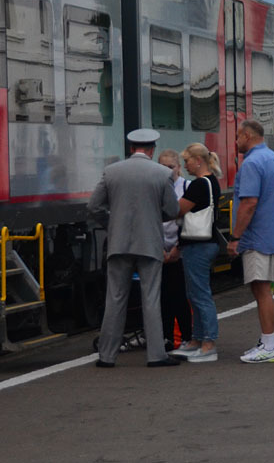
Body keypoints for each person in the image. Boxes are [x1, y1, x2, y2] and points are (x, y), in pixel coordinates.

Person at [88, 129, 182, 368]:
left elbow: (94, 207)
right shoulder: (162, 174)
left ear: (131, 148)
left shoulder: (111, 172)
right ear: (152, 150)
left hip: (118, 243)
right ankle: (156, 355)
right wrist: (152, 219)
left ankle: (107, 356)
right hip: (149, 243)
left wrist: (112, 223)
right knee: (151, 297)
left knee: (115, 297)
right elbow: (172, 211)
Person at [228, 120, 274, 363]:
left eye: (237, 137)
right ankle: (267, 342)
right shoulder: (273, 158)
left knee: (261, 290)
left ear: (246, 135)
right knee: (266, 290)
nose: (235, 142)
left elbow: (249, 203)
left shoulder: (252, 163)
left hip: (258, 238)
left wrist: (235, 237)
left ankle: (268, 345)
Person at [169, 143, 223, 363]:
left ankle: (208, 343)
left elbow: (177, 210)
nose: (185, 165)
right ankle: (196, 340)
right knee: (195, 294)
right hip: (201, 243)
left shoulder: (199, 184)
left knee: (200, 295)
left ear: (198, 161)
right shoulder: (211, 182)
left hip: (198, 244)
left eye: (187, 160)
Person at [157, 149, 192, 353]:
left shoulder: (186, 187)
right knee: (162, 297)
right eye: (162, 167)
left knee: (180, 296)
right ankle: (167, 337)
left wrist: (177, 248)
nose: (167, 171)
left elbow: (190, 221)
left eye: (171, 167)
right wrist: (160, 248)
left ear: (178, 167)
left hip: (180, 249)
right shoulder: (155, 188)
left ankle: (186, 337)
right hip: (160, 249)